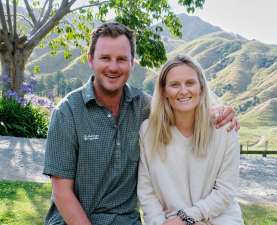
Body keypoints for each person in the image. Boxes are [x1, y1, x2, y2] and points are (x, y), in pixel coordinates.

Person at [43, 22, 240, 225]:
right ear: (91, 60)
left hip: (126, 221)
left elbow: (183, 106)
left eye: (121, 59)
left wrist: (219, 112)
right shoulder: (67, 112)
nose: (113, 67)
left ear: (131, 64)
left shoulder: (145, 106)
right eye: (105, 58)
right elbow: (61, 193)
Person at [138, 55, 244, 225]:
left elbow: (225, 191)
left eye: (190, 83)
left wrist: (184, 219)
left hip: (218, 220)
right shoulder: (148, 131)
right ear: (164, 90)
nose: (184, 91)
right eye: (174, 84)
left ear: (201, 86)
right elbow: (147, 193)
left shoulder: (225, 128)